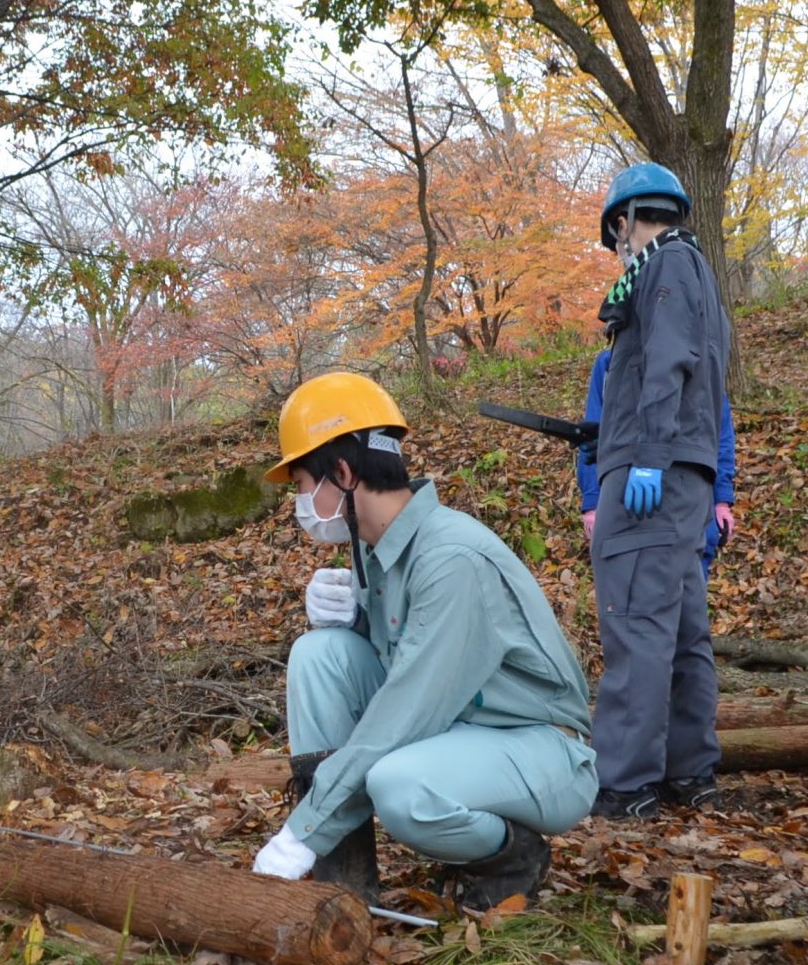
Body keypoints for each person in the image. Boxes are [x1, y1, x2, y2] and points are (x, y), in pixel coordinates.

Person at [252, 373, 597, 910]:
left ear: (342, 473)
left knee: (398, 787)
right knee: (318, 655)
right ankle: (343, 885)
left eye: (301, 484)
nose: (299, 503)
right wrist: (350, 621)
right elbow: (391, 661)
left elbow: (408, 706)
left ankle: (511, 856)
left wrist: (303, 829)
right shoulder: (374, 546)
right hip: (461, 727)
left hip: (539, 747)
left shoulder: (451, 559)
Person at [585, 163, 731, 819]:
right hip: (682, 472)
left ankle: (626, 786)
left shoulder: (665, 265)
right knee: (678, 624)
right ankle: (688, 771)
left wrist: (645, 457)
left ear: (624, 221)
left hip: (657, 472)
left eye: (616, 231)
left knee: (636, 622)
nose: (618, 244)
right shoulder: (696, 271)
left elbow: (670, 362)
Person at [578, 367, 738, 572]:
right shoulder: (610, 363)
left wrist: (721, 501)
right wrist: (592, 504)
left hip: (692, 506)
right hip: (625, 508)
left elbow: (720, 433)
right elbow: (593, 433)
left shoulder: (700, 361)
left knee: (689, 589)